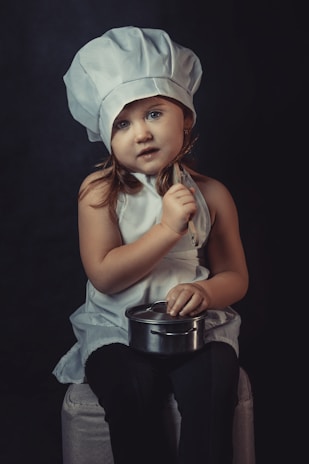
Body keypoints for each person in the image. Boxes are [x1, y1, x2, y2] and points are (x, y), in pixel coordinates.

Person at [53, 26, 249, 464]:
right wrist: (166, 230)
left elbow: (235, 276)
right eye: (123, 123)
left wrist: (204, 292)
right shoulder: (99, 192)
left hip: (196, 327)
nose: (140, 133)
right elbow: (103, 274)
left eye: (154, 114)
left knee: (216, 381)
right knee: (130, 389)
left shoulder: (212, 195)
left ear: (186, 117)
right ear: (106, 133)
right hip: (116, 328)